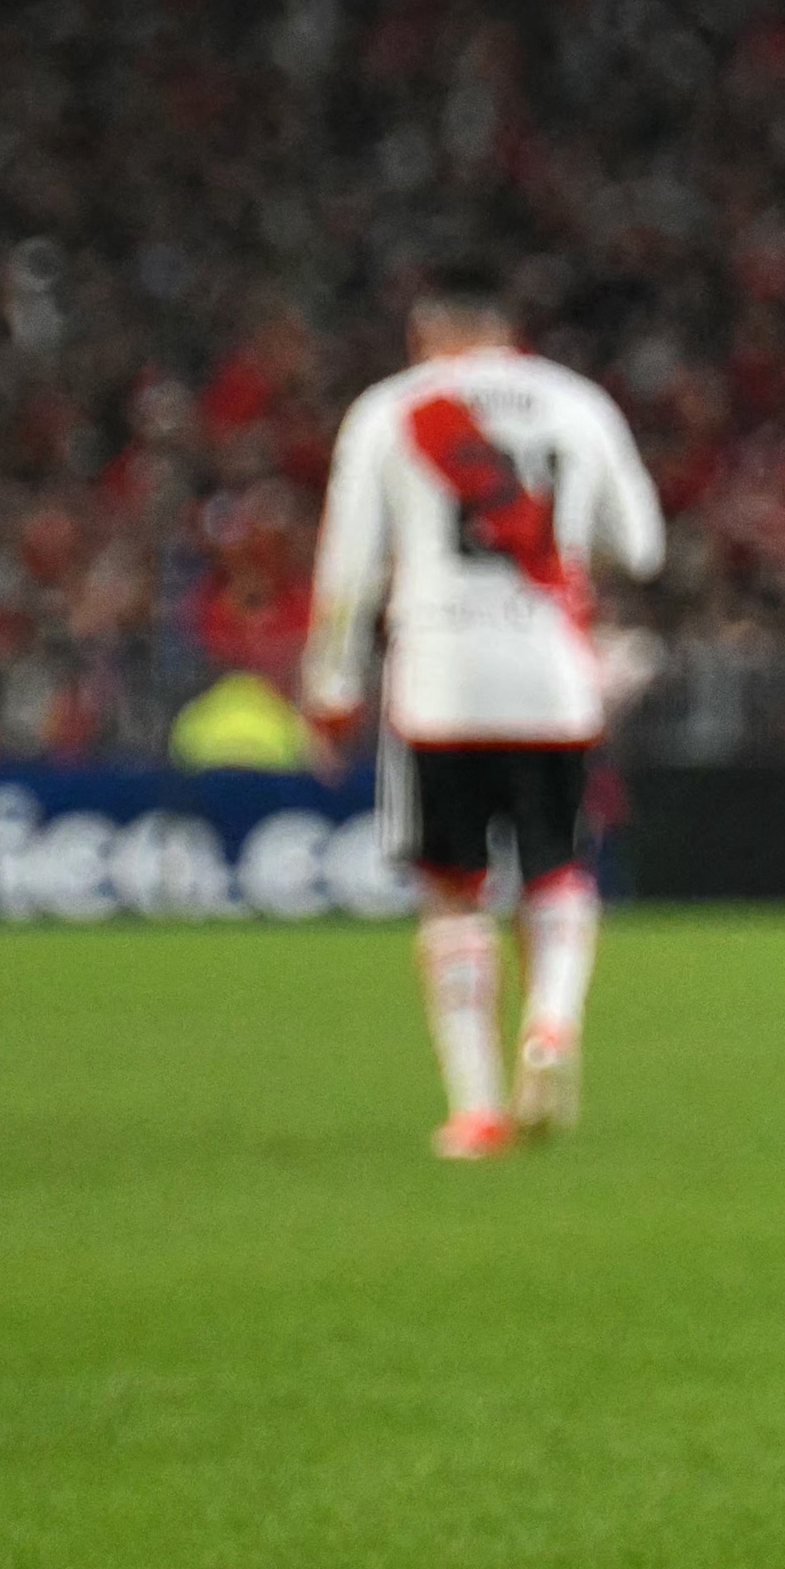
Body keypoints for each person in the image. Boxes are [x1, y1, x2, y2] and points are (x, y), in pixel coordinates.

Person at [301, 288, 668, 1160]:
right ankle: (551, 1021)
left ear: (425, 331)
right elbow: (641, 545)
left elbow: (348, 567)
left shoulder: (392, 409)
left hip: (440, 679)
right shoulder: (578, 402)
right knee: (557, 868)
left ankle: (477, 1110)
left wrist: (330, 686)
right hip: (552, 676)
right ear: (508, 329)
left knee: (452, 890)